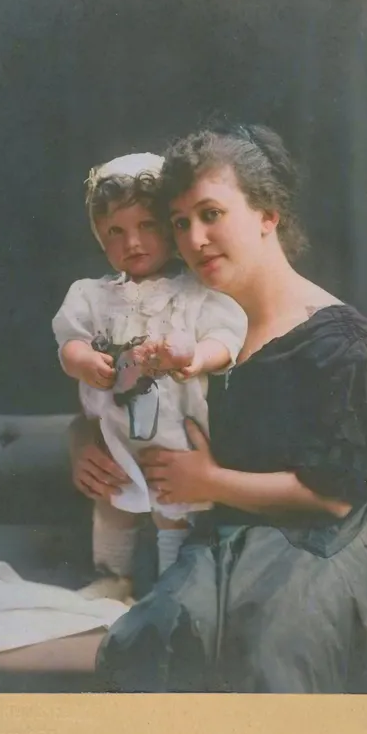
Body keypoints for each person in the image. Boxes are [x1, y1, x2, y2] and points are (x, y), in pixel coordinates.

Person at [71, 125, 367, 693]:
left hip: (327, 545)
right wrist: (85, 442)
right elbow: (118, 399)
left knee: (274, 649)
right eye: (182, 223)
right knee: (152, 640)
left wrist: (211, 481)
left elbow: (337, 498)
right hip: (226, 538)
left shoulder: (341, 344)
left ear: (268, 215)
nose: (195, 239)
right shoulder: (187, 322)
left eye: (212, 214)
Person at [52, 151, 247, 601]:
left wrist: (196, 356)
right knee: (112, 502)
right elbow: (68, 343)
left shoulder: (195, 293)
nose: (132, 243)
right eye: (115, 232)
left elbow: (227, 336)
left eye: (146, 227)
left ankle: (170, 585)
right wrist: (82, 360)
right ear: (100, 238)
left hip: (172, 433)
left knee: (171, 507)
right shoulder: (93, 296)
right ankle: (114, 575)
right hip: (112, 430)